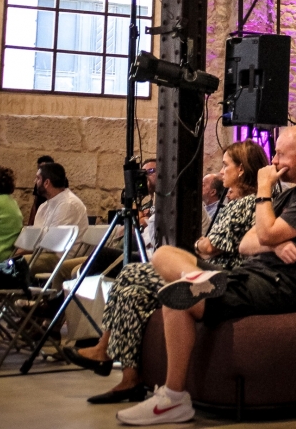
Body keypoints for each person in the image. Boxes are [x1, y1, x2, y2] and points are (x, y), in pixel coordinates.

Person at [116, 127, 296, 425]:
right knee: (163, 255)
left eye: (280, 154)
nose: (273, 161)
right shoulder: (293, 195)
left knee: (176, 299)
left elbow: (264, 231)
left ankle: (173, 398)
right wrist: (277, 243)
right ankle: (200, 281)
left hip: (279, 285)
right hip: (250, 272)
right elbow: (247, 243)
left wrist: (264, 194)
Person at [66, 140, 264, 404]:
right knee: (133, 292)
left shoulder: (248, 203)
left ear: (241, 170)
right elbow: (207, 245)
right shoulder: (233, 202)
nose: (220, 171)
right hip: (212, 266)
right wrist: (202, 245)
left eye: (226, 165)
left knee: (130, 273)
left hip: (221, 275)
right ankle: (129, 379)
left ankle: (104, 350)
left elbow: (211, 247)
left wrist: (200, 244)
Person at [29, 161, 90, 281]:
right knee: (11, 262)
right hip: (44, 254)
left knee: (19, 264)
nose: (34, 182)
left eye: (37, 178)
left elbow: (53, 244)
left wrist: (32, 242)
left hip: (61, 258)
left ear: (46, 183)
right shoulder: (44, 206)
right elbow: (35, 238)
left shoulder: (68, 204)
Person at [28, 154, 56, 225]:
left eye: (42, 168)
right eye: (39, 168)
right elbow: (35, 203)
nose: (40, 170)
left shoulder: (57, 183)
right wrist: (30, 224)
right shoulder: (39, 183)